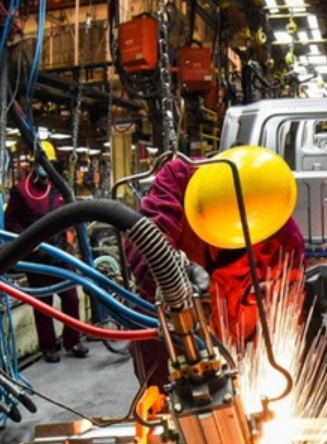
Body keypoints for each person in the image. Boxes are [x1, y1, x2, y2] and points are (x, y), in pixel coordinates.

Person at [127, 147, 305, 388]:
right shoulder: (179, 180)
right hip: (167, 344)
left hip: (235, 353)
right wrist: (173, 279)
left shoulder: (284, 239)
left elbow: (286, 320)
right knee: (169, 412)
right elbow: (144, 242)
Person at [5, 141, 88, 363]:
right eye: (42, 164)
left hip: (60, 255)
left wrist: (70, 237)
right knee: (44, 304)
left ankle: (73, 341)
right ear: (34, 164)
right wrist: (31, 243)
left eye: (49, 164)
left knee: (71, 298)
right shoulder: (21, 191)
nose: (45, 169)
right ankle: (48, 347)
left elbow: (69, 215)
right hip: (38, 257)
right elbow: (11, 223)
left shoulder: (58, 188)